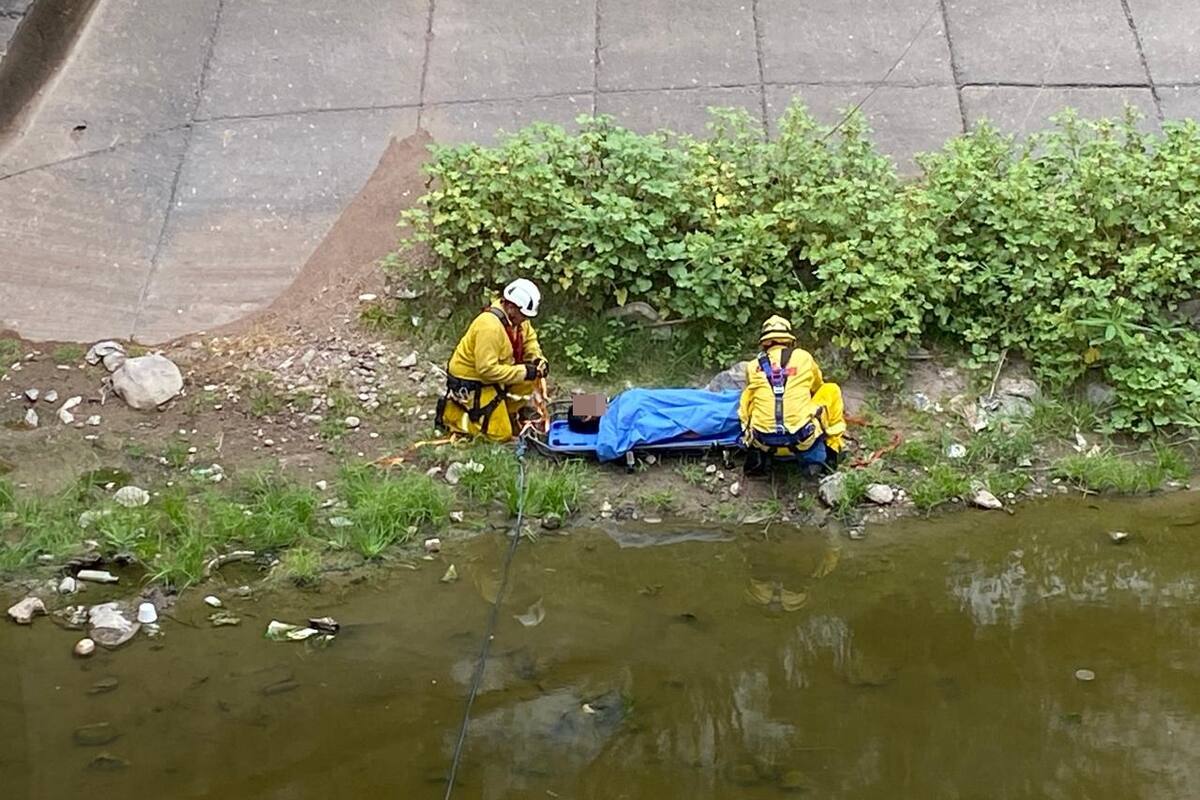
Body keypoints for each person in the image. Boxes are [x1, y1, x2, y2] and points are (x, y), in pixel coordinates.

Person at [436, 278, 550, 441]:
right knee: (501, 435)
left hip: (497, 374)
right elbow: (486, 370)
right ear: (510, 307)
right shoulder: (489, 327)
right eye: (523, 315)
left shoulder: (517, 319)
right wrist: (523, 372)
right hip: (474, 381)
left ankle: (508, 413)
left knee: (529, 378)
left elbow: (529, 340)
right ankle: (452, 417)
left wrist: (537, 359)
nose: (525, 319)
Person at [739, 315, 846, 474]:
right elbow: (818, 387)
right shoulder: (804, 357)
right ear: (790, 341)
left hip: (763, 440)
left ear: (764, 343)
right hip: (803, 438)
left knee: (749, 396)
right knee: (831, 389)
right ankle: (832, 448)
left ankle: (757, 457)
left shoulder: (753, 366)